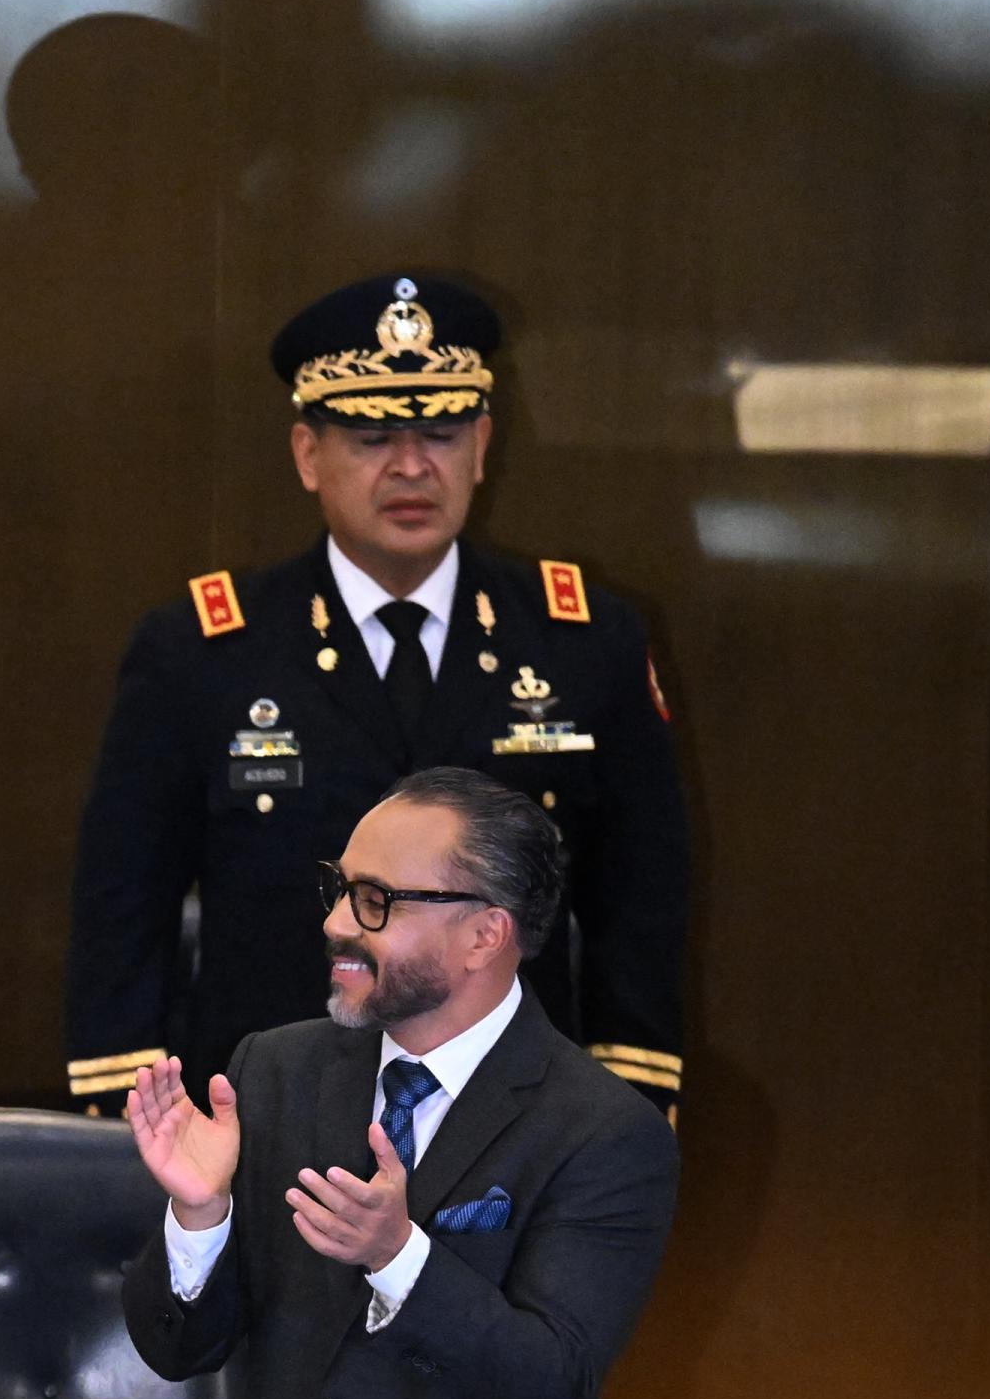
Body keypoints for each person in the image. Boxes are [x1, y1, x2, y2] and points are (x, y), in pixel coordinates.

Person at [122, 768, 678, 1399]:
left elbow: (546, 1380)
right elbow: (179, 1348)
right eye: (337, 887)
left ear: (484, 932)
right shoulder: (277, 1070)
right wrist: (198, 1217)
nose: (339, 921)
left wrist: (400, 1259)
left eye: (375, 900)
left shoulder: (602, 1131)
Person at [66, 272, 689, 1117]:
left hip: (510, 1123)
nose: (410, 466)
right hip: (263, 1115)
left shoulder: (583, 643)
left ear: (481, 446)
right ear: (306, 455)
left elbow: (640, 898)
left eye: (438, 432)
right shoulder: (201, 653)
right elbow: (122, 907)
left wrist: (631, 1094)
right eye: (369, 436)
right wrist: (124, 1104)